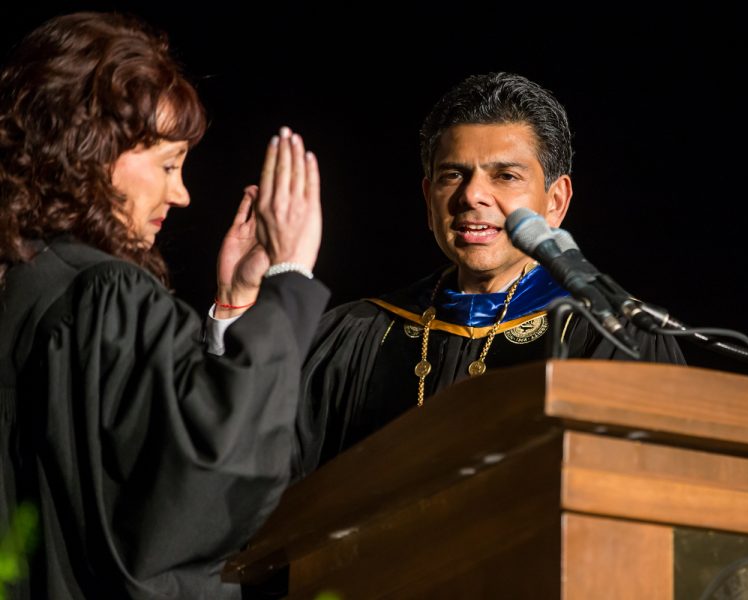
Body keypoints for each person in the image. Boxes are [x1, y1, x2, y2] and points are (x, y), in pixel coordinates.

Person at [0, 12, 328, 599]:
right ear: (91, 150)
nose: (181, 193)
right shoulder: (102, 293)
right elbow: (206, 474)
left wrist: (236, 301)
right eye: (169, 164)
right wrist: (291, 281)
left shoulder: (26, 281)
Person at [287, 72, 683, 477]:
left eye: (505, 176)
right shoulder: (357, 335)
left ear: (555, 202)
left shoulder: (619, 336)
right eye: (453, 175)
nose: (471, 195)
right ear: (429, 200)